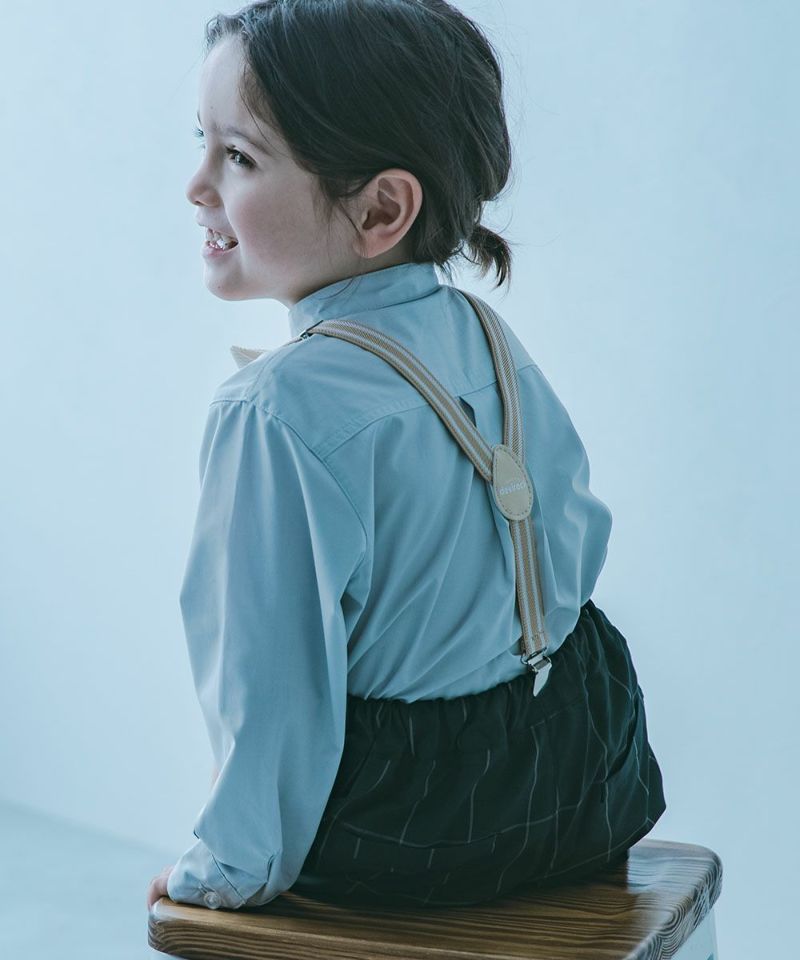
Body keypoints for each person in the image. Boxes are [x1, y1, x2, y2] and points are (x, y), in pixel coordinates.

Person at [146, 0, 666, 914]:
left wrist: (227, 871)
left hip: (416, 827)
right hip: (588, 763)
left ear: (382, 207)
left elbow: (269, 692)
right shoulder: (482, 332)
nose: (197, 185)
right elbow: (574, 535)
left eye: (239, 157)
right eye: (203, 142)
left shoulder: (271, 410)